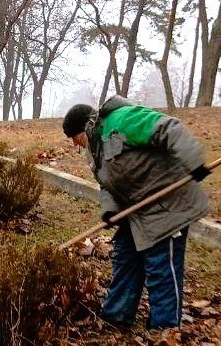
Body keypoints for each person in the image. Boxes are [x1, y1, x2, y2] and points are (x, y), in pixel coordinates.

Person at [62, 96, 211, 330]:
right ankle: (117, 315)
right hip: (136, 211)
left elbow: (169, 128)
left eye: (74, 137)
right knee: (125, 257)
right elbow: (106, 184)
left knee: (161, 266)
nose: (74, 144)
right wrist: (110, 211)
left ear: (87, 126)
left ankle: (165, 329)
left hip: (166, 203)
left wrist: (195, 163)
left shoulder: (124, 119)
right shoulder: (94, 149)